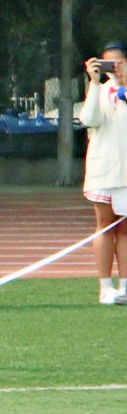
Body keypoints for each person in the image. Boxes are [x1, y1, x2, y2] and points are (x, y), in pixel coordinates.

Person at [78, 45, 127, 304]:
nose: (114, 69)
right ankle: (105, 287)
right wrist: (94, 82)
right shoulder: (100, 90)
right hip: (104, 170)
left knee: (125, 229)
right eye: (108, 64)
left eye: (118, 63)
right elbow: (89, 119)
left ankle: (125, 286)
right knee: (105, 226)